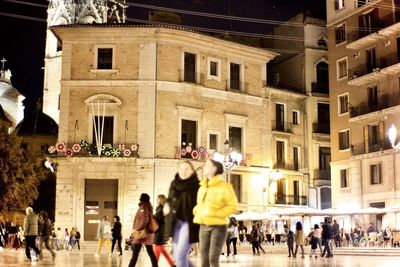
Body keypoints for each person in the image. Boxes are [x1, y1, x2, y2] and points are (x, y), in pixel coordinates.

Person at [193, 159, 238, 267]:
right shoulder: (202, 187)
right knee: (204, 260)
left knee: (212, 258)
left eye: (208, 165)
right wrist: (197, 210)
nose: (205, 167)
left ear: (215, 169)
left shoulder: (224, 186)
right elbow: (200, 204)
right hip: (204, 226)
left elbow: (232, 206)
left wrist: (217, 213)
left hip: (219, 226)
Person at [165, 160, 200, 267]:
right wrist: (167, 205)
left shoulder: (197, 186)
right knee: (178, 256)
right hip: (175, 222)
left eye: (186, 169)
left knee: (180, 255)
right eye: (181, 169)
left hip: (189, 223)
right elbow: (170, 199)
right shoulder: (174, 183)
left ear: (192, 171)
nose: (183, 171)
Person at [129, 193, 158, 267]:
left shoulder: (143, 207)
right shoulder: (147, 206)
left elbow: (144, 220)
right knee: (150, 251)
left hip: (142, 234)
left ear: (142, 199)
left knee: (135, 254)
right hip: (146, 233)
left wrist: (137, 229)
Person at [154, 194, 176, 267]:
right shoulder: (162, 208)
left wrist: (152, 216)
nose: (157, 200)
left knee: (158, 247)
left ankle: (154, 264)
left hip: (159, 230)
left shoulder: (161, 208)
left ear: (161, 199)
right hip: (161, 230)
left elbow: (159, 219)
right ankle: (172, 264)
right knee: (162, 249)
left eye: (158, 198)